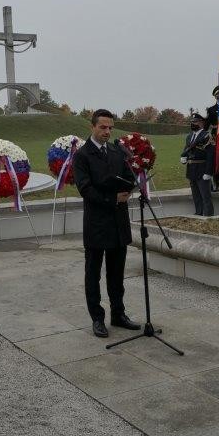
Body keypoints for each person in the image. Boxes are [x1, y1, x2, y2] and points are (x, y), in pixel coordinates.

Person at [73, 109, 141, 338]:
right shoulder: (82, 155)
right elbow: (85, 189)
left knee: (117, 273)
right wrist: (112, 198)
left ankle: (118, 314)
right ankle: (97, 318)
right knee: (93, 274)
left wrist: (129, 187)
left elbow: (128, 176)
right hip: (97, 222)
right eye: (103, 127)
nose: (107, 131)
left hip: (118, 221)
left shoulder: (116, 150)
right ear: (92, 127)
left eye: (110, 127)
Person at [180, 112, 215, 216]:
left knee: (205, 196)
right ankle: (199, 214)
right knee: (196, 196)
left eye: (195, 122)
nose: (192, 124)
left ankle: (208, 216)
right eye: (191, 122)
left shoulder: (207, 135)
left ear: (201, 123)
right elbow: (187, 149)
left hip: (202, 168)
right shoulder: (189, 136)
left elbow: (210, 155)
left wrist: (208, 172)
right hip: (191, 169)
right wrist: (184, 157)